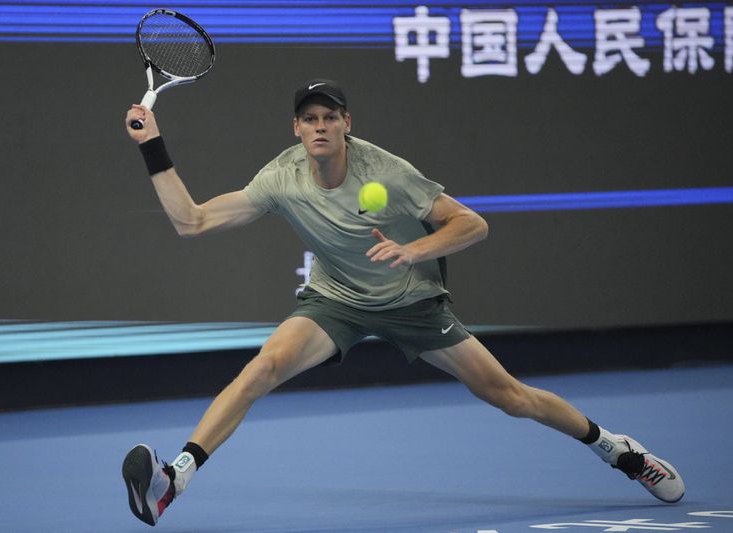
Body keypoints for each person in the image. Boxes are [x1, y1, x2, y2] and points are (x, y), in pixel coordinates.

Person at [121, 79, 684, 526]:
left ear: (347, 124)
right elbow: (191, 221)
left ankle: (618, 450)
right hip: (337, 299)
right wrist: (152, 146)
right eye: (310, 119)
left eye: (330, 118)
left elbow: (472, 224)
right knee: (261, 368)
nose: (321, 127)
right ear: (296, 128)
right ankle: (176, 478)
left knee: (509, 396)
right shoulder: (281, 177)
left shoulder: (387, 171)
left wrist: (414, 249)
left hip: (413, 303)